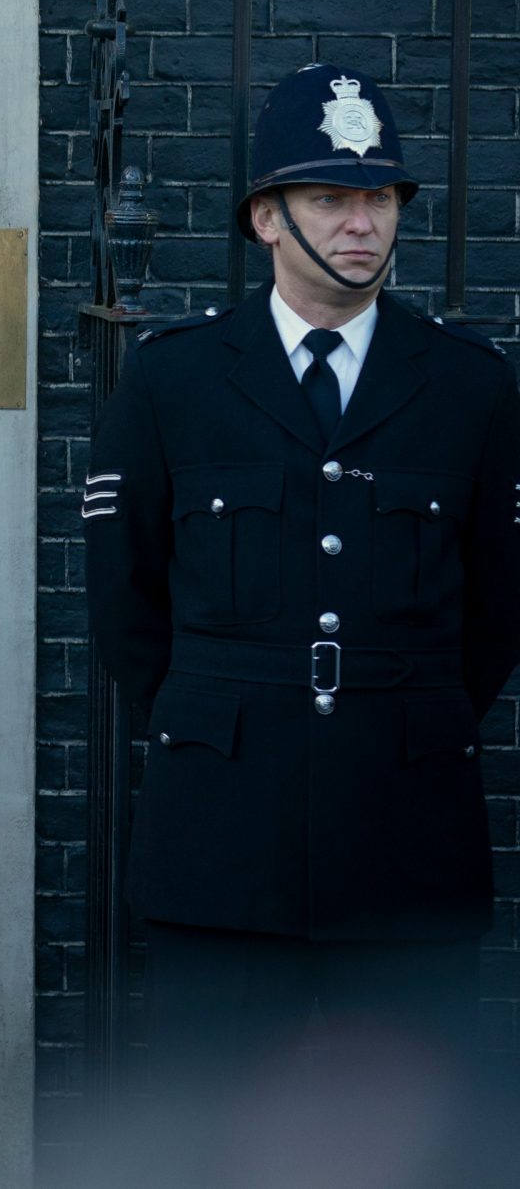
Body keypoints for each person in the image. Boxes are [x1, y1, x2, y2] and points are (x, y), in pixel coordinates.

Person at [86, 64, 520, 1177]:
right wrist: (223, 714)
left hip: (404, 837)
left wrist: (396, 709)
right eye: (330, 197)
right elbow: (129, 609)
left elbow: (493, 613)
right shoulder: (173, 381)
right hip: (222, 841)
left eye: (379, 198)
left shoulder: (468, 385)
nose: (361, 222)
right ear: (265, 219)